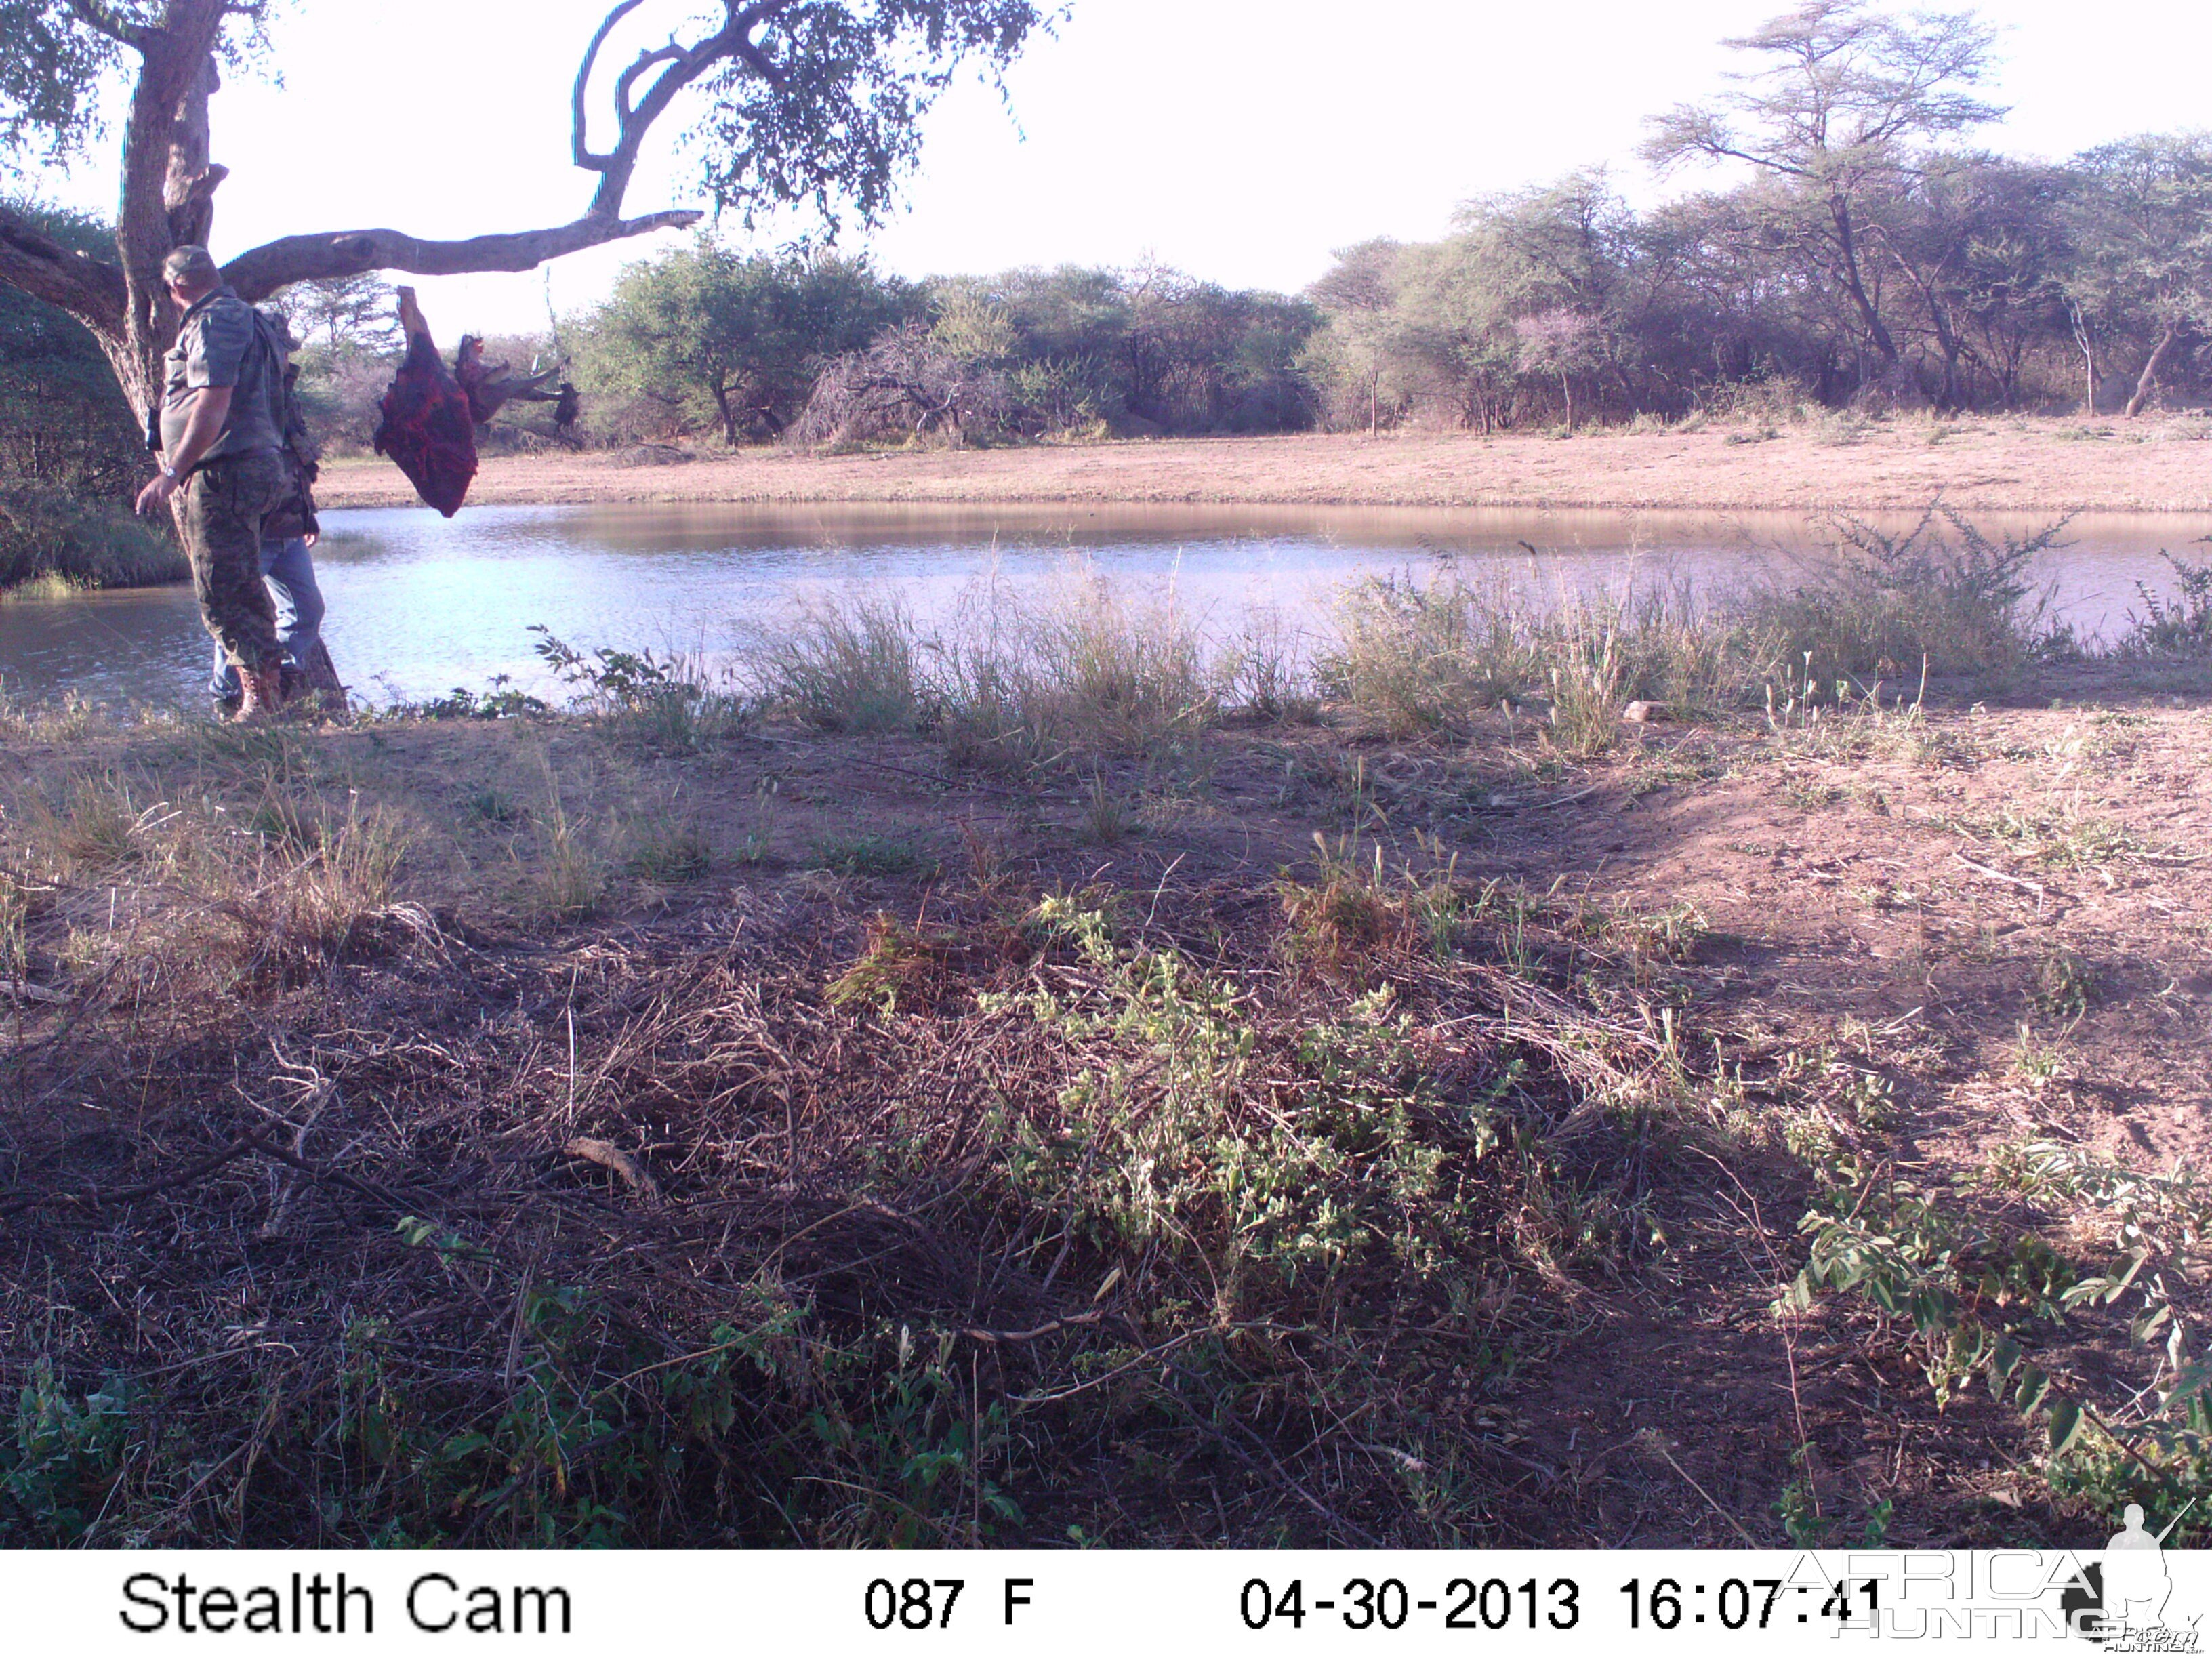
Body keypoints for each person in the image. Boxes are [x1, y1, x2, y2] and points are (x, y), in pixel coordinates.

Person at [135, 244, 290, 720]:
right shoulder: (239, 315)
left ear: (177, 287)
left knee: (222, 587)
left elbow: (213, 401)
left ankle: (259, 707)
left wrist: (171, 472)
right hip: (242, 467)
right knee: (238, 582)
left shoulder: (215, 320)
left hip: (227, 470)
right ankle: (265, 701)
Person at [209, 335, 342, 716]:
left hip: (288, 530)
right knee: (237, 614)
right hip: (250, 532)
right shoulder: (237, 394)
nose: (284, 357)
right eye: (277, 350)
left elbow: (297, 461)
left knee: (307, 611)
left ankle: (277, 678)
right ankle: (227, 696)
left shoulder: (286, 396)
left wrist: (308, 513)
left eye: (286, 351)